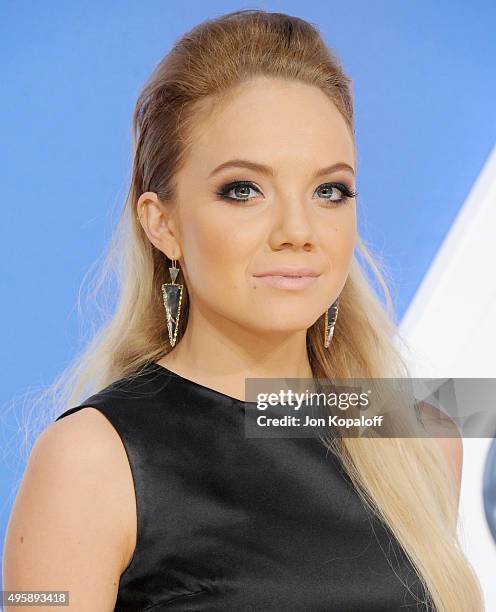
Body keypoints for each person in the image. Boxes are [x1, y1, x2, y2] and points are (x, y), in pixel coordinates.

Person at [2, 9, 484, 611]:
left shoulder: (420, 440)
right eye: (243, 190)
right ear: (163, 223)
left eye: (329, 190)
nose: (298, 229)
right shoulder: (91, 461)